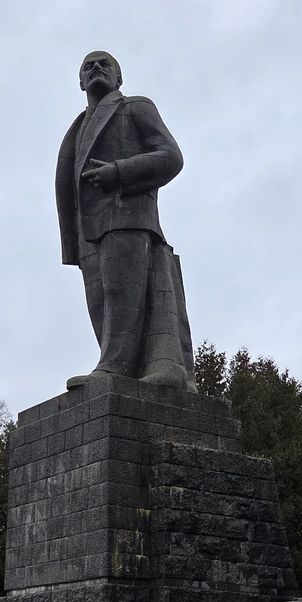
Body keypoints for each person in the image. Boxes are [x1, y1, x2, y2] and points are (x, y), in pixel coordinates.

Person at [55, 50, 196, 391]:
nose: (96, 68)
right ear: (80, 82)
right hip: (87, 231)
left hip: (128, 215)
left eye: (104, 64)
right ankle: (124, 366)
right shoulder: (76, 128)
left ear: (119, 79)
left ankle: (114, 369)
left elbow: (170, 157)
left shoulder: (135, 107)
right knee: (102, 304)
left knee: (121, 294)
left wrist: (118, 173)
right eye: (88, 66)